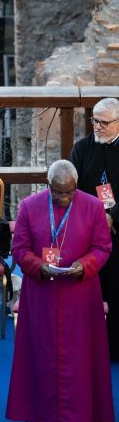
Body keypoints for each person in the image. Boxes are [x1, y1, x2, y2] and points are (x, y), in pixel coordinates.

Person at [6, 160, 114, 422]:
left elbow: (103, 247)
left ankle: (74, 421)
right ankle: (40, 420)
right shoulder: (29, 206)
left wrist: (84, 265)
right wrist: (38, 265)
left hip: (80, 295)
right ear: (48, 185)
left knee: (78, 358)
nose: (64, 198)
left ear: (76, 186)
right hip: (41, 294)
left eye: (69, 192)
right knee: (40, 355)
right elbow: (20, 248)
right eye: (58, 192)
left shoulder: (93, 207)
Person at [69, 97, 119, 360]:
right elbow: (72, 187)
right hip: (88, 228)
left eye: (104, 123)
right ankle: (87, 345)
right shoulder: (82, 147)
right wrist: (98, 219)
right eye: (94, 121)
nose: (97, 127)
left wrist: (113, 216)